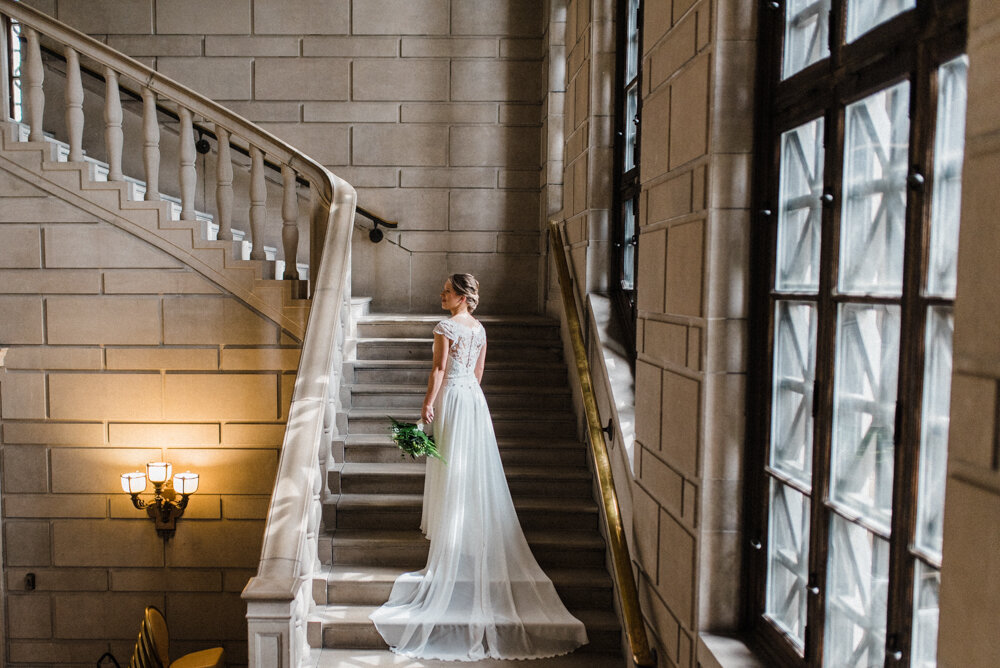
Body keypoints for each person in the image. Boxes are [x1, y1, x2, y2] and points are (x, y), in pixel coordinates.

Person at [369, 273, 589, 661]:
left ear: (462, 296)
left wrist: (426, 407)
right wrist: (467, 395)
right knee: (471, 470)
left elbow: (438, 370)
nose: (441, 295)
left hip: (453, 397)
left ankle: (453, 541)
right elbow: (479, 372)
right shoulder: (480, 328)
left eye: (447, 291)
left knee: (452, 467)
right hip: (474, 399)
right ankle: (467, 536)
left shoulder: (445, 327)